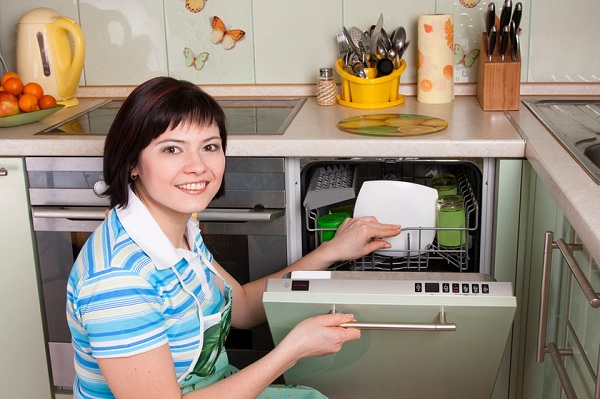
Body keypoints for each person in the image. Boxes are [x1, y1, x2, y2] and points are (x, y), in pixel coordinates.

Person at [66, 76, 401, 399]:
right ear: (132, 163)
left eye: (209, 146)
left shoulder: (178, 230)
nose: (197, 166)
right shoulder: (119, 280)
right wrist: (291, 351)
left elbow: (239, 306)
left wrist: (330, 251)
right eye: (172, 149)